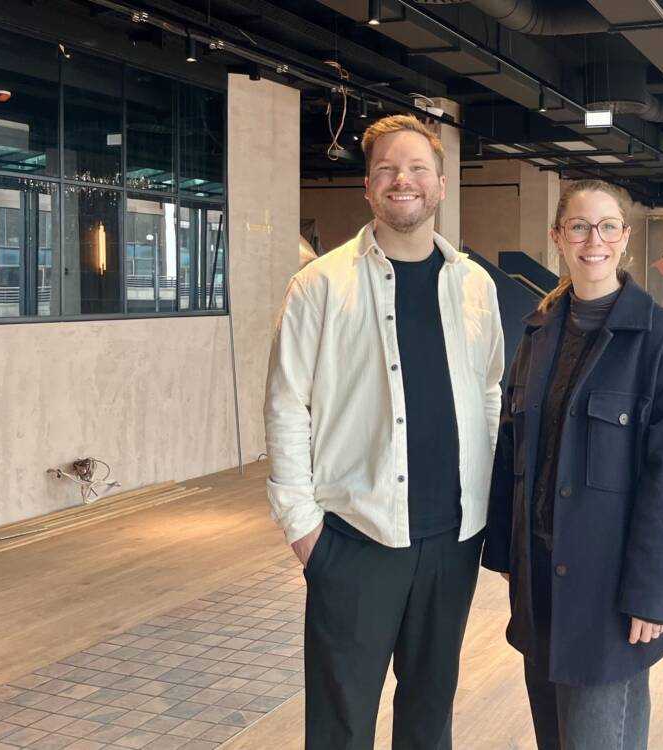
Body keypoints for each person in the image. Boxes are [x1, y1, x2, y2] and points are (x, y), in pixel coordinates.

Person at [263, 114, 504, 750]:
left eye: (418, 168)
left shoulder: (473, 285)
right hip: (354, 538)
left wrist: (484, 493)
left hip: (453, 539)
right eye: (387, 170)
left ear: (442, 184)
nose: (404, 180)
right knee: (342, 721)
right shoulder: (319, 285)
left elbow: (488, 389)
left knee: (430, 713)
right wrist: (303, 529)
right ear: (368, 187)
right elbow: (289, 405)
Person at [482, 179, 663, 749]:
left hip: (611, 591)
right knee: (553, 738)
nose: (593, 240)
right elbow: (514, 447)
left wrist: (656, 594)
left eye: (607, 227)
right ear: (558, 237)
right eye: (579, 227)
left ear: (625, 239)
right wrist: (508, 551)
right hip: (543, 581)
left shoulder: (658, 341)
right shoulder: (538, 332)